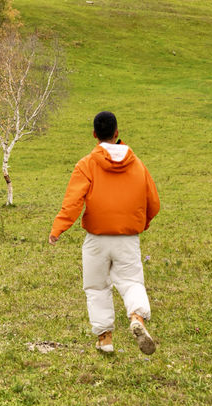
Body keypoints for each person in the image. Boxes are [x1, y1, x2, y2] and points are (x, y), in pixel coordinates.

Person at [48, 110, 160, 355]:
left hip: (97, 240)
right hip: (127, 238)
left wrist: (58, 228)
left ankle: (105, 339)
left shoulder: (86, 164)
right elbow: (154, 202)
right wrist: (143, 223)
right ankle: (137, 318)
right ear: (117, 133)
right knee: (131, 282)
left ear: (94, 135)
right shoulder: (138, 164)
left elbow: (73, 201)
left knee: (97, 288)